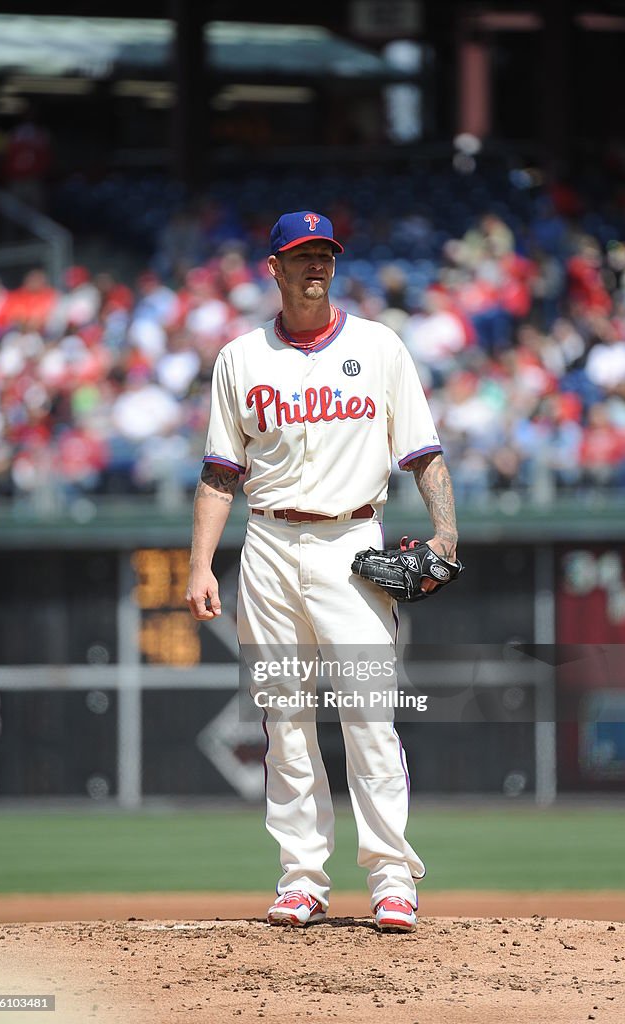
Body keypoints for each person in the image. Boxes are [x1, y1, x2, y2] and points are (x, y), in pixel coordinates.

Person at [186, 210, 459, 933]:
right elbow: (219, 474)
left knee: (370, 716)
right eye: (301, 254)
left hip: (353, 544)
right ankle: (301, 878)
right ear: (272, 268)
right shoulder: (240, 359)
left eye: (325, 254)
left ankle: (392, 878)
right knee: (285, 722)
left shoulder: (378, 347)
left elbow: (423, 453)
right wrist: (199, 566)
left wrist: (446, 537)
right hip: (268, 546)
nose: (316, 265)